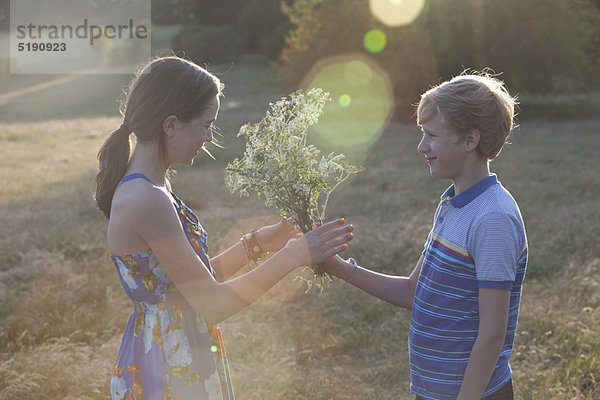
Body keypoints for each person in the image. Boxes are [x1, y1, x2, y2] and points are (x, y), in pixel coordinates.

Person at [94, 56, 354, 400]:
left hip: (178, 352)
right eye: (206, 125)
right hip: (167, 366)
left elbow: (190, 282)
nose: (210, 136)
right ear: (170, 125)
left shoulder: (154, 188)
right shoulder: (146, 198)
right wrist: (294, 256)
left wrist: (256, 245)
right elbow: (212, 303)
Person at [324, 72, 526, 400]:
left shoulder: (493, 218)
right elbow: (412, 291)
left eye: (431, 135)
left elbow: (492, 333)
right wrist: (338, 267)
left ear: (470, 140)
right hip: (434, 392)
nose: (422, 147)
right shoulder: (452, 203)